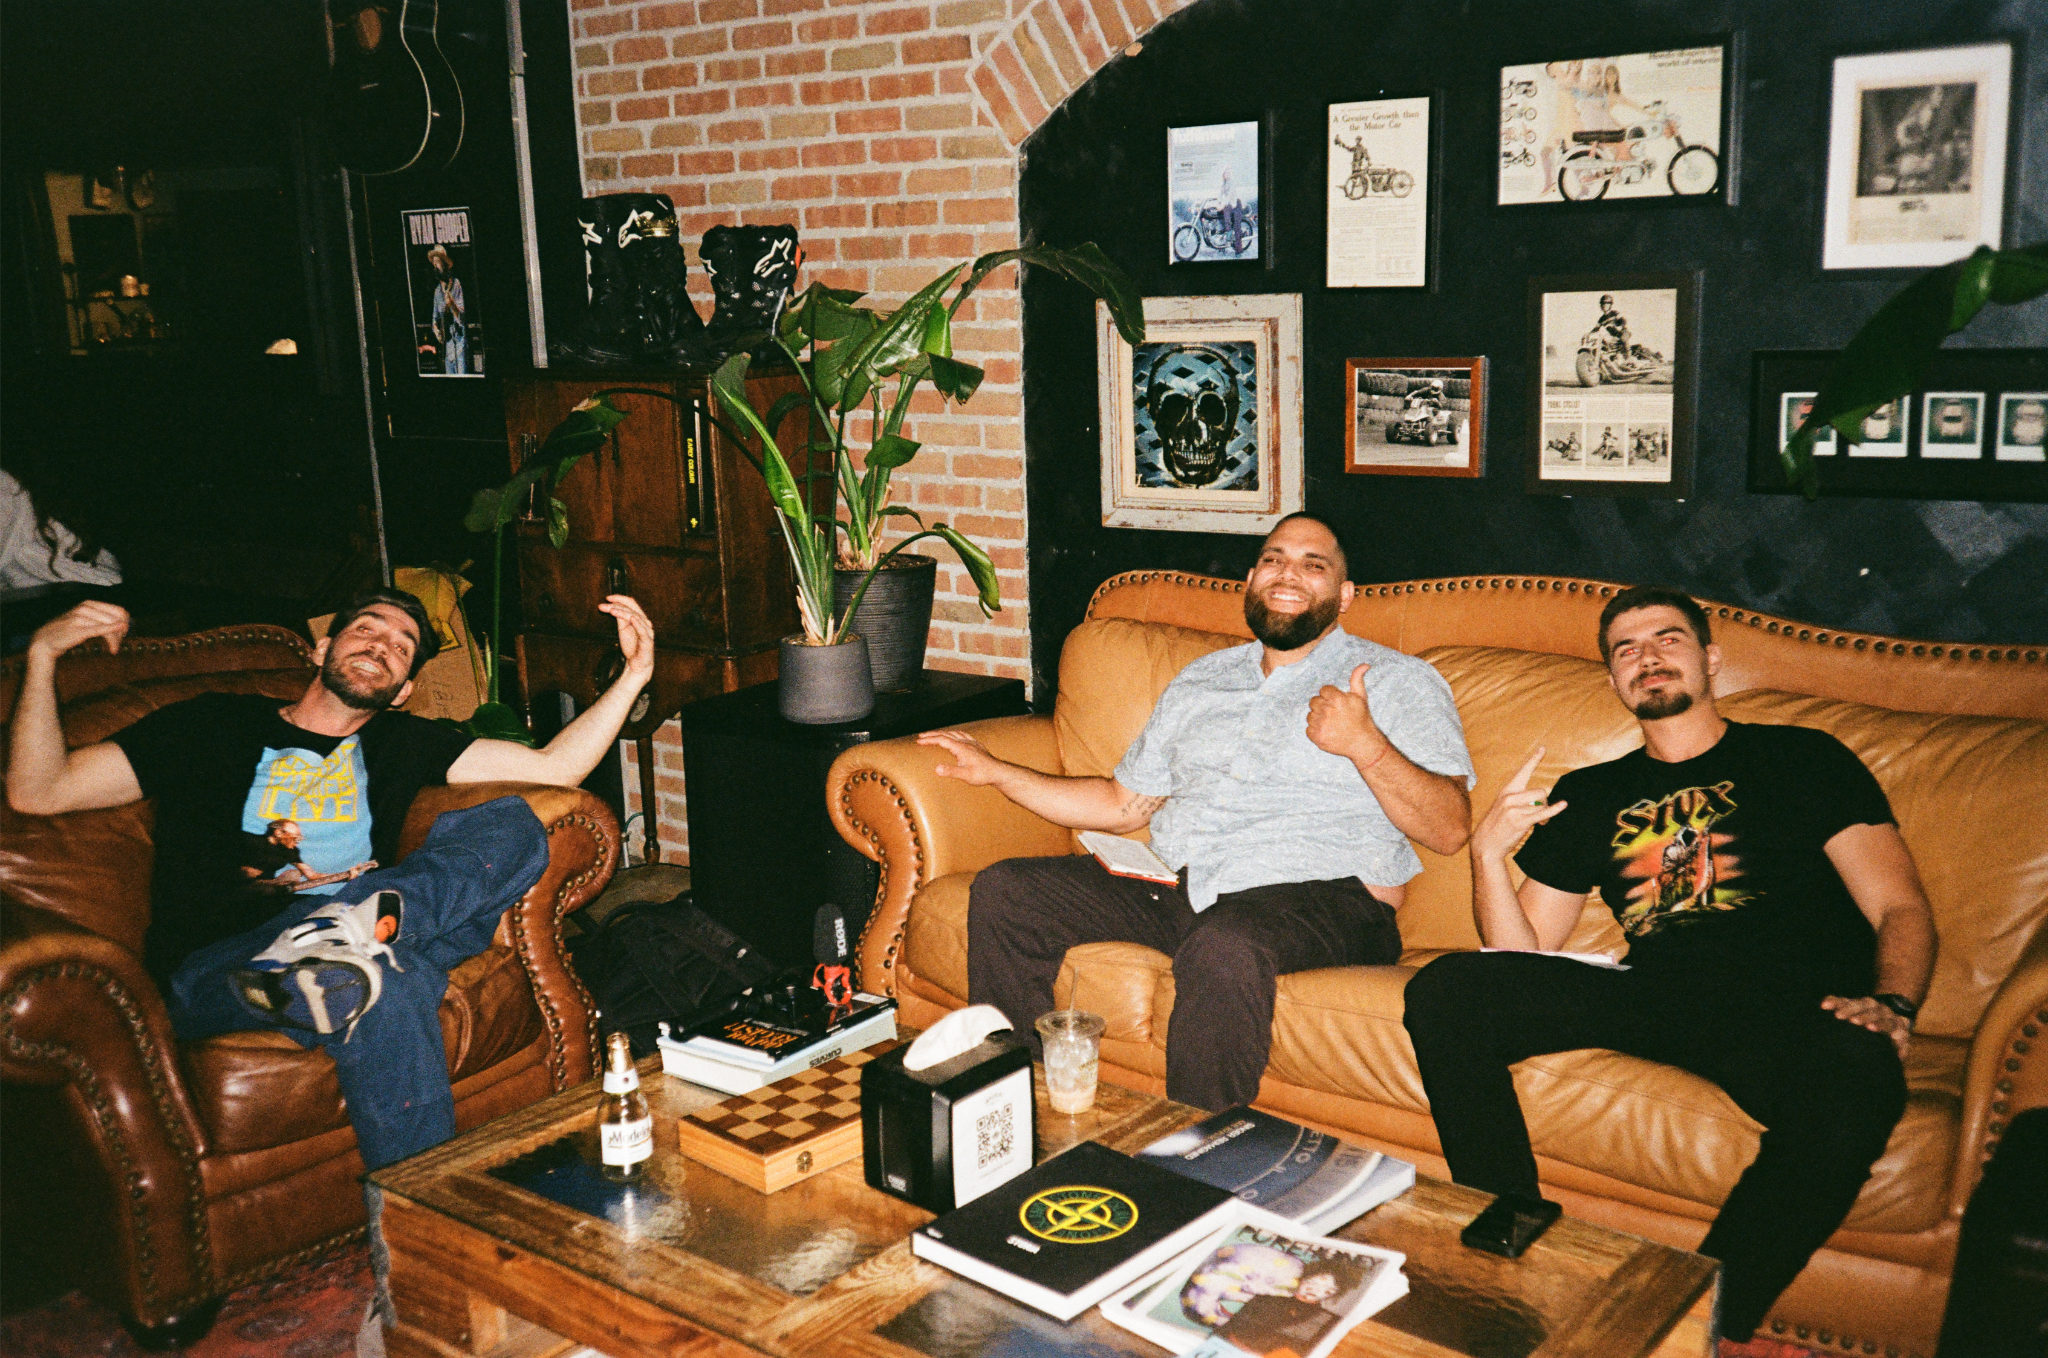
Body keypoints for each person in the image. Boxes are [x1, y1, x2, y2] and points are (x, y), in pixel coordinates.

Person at [1401, 585, 1933, 1350]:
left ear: (1711, 658)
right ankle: (1508, 1233)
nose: (1647, 657)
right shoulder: (1591, 794)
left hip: (1789, 1006)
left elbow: (1900, 907)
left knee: (1858, 1074)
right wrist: (1487, 854)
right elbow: (1521, 961)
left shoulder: (1802, 758)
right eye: (1626, 649)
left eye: (1668, 640)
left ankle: (1696, 1321)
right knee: (1451, 989)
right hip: (1654, 993)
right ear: (1614, 680)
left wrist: (1895, 1004)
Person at [7, 587, 658, 1169]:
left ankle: (347, 933)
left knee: (515, 828)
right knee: (386, 979)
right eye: (368, 629)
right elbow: (40, 791)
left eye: (403, 647)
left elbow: (554, 767)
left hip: (364, 931)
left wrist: (635, 674)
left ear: (403, 690)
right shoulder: (211, 724)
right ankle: (417, 1250)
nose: (383, 644)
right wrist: (41, 657)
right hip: (224, 965)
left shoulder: (403, 742)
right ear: (322, 650)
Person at [920, 513, 1474, 1111]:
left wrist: (1365, 744)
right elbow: (1123, 802)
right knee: (1007, 892)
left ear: (1344, 597)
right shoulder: (1202, 680)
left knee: (1225, 944)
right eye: (1273, 559)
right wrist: (999, 771)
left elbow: (1448, 829)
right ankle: (1005, 1108)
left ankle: (1199, 1164)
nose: (1287, 574)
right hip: (1183, 884)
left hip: (1330, 900)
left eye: (1313, 566)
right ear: (1250, 578)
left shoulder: (1398, 680)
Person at [428, 244, 466, 375]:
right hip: (447, 347)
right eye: (434, 262)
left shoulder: (455, 285)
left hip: (459, 345)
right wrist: (436, 329)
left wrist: (452, 305)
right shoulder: (437, 292)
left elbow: (462, 318)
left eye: (438, 262)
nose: (436, 265)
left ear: (445, 264)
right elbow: (434, 318)